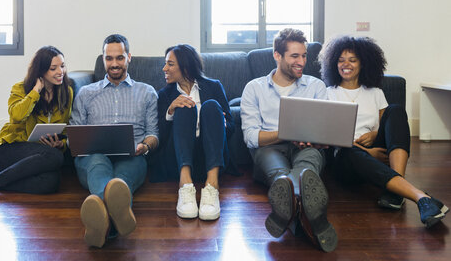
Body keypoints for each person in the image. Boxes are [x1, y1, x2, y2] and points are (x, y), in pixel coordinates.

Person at [319, 35, 449, 228]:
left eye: (352, 60)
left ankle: (395, 191)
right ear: (333, 64)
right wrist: (367, 152)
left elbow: (384, 126)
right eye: (341, 60)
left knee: (396, 110)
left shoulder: (375, 92)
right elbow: (327, 134)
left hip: (374, 149)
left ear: (363, 63)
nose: (346, 64)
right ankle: (420, 196)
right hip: (344, 157)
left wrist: (373, 136)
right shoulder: (327, 93)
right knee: (347, 151)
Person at [241, 28, 337, 252]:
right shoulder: (254, 88)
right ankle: (315, 219)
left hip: (307, 147)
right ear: (277, 55)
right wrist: (287, 132)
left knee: (308, 167)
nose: (301, 61)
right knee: (280, 174)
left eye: (304, 56)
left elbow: (325, 132)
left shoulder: (316, 86)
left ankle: (288, 210)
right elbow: (251, 137)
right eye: (295, 56)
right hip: (270, 148)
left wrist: (319, 139)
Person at [70, 34, 158, 248]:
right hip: (93, 157)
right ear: (103, 59)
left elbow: (154, 134)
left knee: (122, 179)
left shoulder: (147, 92)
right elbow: (75, 132)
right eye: (109, 58)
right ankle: (114, 217)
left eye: (120, 58)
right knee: (98, 163)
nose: (115, 63)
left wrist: (144, 146)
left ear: (129, 57)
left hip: (132, 155)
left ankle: (102, 217)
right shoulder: (86, 93)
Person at [0, 46, 73, 205]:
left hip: (40, 155)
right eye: (53, 68)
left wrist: (60, 143)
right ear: (41, 71)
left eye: (62, 66)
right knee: (54, 157)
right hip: (9, 150)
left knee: (51, 182)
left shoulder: (67, 92)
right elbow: (17, 115)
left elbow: (66, 127)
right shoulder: (21, 89)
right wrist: (35, 91)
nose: (60, 71)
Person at [151, 44, 234, 221]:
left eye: (170, 64)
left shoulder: (214, 87)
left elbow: (232, 128)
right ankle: (185, 185)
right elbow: (160, 136)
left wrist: (221, 121)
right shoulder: (164, 95)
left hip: (209, 157)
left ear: (186, 67)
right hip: (179, 160)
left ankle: (212, 185)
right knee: (184, 107)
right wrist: (170, 110)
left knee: (211, 106)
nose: (164, 68)